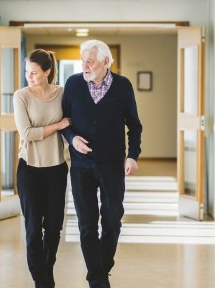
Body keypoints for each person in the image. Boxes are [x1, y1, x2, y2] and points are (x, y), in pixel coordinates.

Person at [61, 40, 142, 288]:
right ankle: (97, 279)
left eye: (91, 61)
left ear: (106, 62)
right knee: (87, 224)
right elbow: (65, 122)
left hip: (111, 165)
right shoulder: (74, 84)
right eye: (83, 60)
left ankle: (102, 267)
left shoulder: (123, 86)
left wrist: (133, 155)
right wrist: (72, 139)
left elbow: (134, 125)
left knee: (112, 220)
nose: (84, 65)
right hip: (81, 166)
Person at [12, 49, 70, 288]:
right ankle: (42, 281)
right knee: (34, 228)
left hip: (57, 167)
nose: (29, 76)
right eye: (27, 72)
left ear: (48, 71)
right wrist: (57, 125)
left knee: (54, 227)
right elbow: (26, 133)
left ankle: (46, 271)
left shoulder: (62, 94)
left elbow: (73, 124)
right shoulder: (21, 95)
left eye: (34, 72)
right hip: (30, 169)